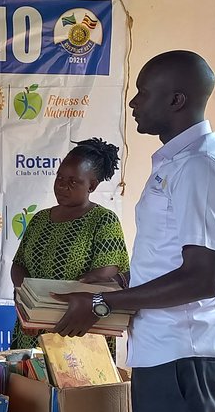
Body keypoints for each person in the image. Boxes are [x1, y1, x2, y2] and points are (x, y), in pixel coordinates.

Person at [50, 50, 215, 412]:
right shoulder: (178, 162)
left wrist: (102, 303)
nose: (134, 104)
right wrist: (124, 284)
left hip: (187, 355)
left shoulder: (200, 166)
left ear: (177, 101)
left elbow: (202, 277)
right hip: (165, 351)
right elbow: (174, 260)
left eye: (143, 93)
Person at [10, 138, 130, 350]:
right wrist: (26, 302)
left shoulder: (103, 220)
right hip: (32, 327)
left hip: (78, 332)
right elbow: (19, 264)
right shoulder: (39, 219)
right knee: (30, 382)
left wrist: (56, 301)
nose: (62, 186)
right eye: (60, 178)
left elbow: (105, 273)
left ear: (92, 185)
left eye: (73, 182)